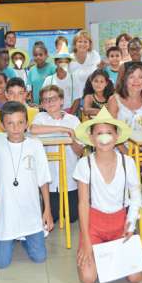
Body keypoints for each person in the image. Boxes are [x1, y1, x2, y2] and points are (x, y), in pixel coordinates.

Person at [73, 107, 142, 283]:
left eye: (109, 133)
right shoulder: (84, 164)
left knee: (136, 278)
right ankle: (93, 252)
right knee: (88, 278)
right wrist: (87, 241)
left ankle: (109, 254)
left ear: (117, 136)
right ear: (91, 138)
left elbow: (136, 197)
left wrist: (131, 224)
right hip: (93, 224)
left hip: (120, 223)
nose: (104, 138)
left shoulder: (127, 162)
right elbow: (82, 204)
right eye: (99, 133)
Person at [0, 101, 54, 269]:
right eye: (10, 123)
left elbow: (43, 180)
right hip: (5, 212)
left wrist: (47, 210)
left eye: (20, 122)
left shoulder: (35, 145)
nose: (16, 128)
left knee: (39, 257)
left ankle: (24, 238)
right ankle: (10, 239)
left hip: (31, 211)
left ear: (27, 123)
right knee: (1, 263)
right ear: (2, 125)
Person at [30, 85, 84, 224]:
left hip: (70, 178)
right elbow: (34, 130)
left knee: (72, 217)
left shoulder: (73, 120)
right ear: (41, 104)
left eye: (53, 98)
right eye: (45, 100)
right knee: (51, 217)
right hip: (50, 180)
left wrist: (71, 139)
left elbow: (80, 152)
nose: (50, 102)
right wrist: (62, 129)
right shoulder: (40, 117)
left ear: (61, 100)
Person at [108, 62, 142, 133]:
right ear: (125, 79)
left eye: (140, 77)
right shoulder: (114, 100)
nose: (136, 81)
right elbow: (111, 130)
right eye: (132, 77)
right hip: (120, 143)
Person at [41, 42, 78, 112]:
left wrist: (70, 115)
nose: (63, 64)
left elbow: (77, 99)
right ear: (55, 62)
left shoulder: (74, 79)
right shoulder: (49, 80)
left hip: (69, 112)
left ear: (69, 63)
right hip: (52, 112)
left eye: (66, 62)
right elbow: (43, 97)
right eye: (60, 62)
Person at [69, 30, 101, 100]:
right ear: (75, 44)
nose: (82, 44)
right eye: (80, 41)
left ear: (89, 44)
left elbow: (99, 73)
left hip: (93, 95)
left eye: (85, 42)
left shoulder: (94, 55)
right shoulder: (69, 58)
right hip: (74, 98)